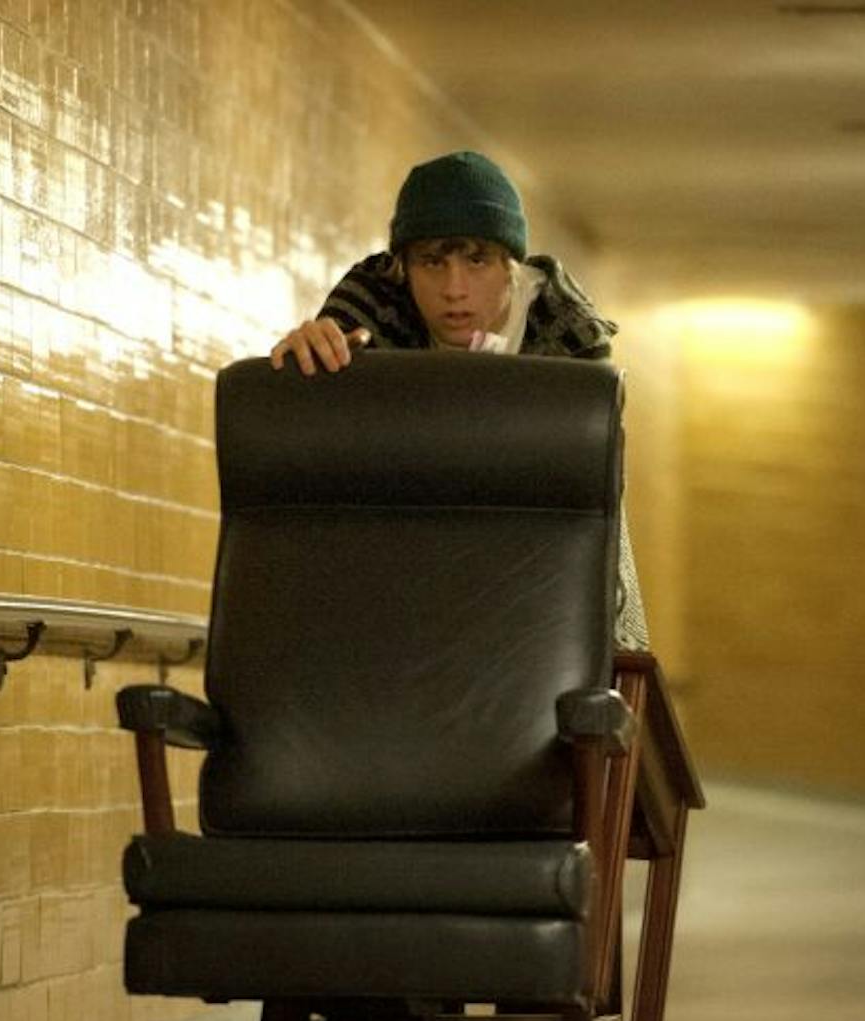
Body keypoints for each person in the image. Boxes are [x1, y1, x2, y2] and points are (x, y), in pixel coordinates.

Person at [269, 150, 647, 649]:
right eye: (432, 263)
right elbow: (323, 432)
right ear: (403, 267)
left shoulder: (569, 335)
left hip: (537, 546)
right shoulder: (373, 299)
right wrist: (307, 355)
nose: (454, 289)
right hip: (419, 543)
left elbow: (582, 508)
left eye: (476, 261)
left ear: (511, 265)